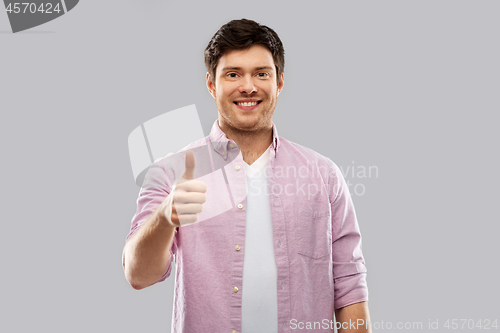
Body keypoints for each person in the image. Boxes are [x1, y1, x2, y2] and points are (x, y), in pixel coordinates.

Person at [122, 18, 371, 333]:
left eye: (261, 74)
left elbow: (349, 283)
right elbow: (137, 275)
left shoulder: (324, 175)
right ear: (212, 84)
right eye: (233, 74)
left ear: (279, 82)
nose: (248, 86)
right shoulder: (171, 172)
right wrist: (165, 216)